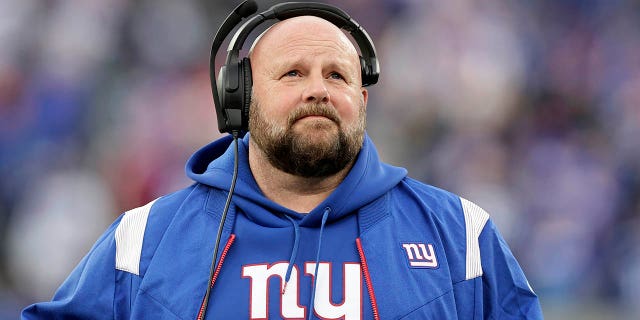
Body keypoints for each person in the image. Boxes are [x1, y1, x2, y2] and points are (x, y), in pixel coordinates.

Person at [22, 3, 543, 319]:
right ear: (240, 99)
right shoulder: (142, 243)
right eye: (293, 73)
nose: (318, 90)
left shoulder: (461, 239)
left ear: (363, 100)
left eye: (337, 76)